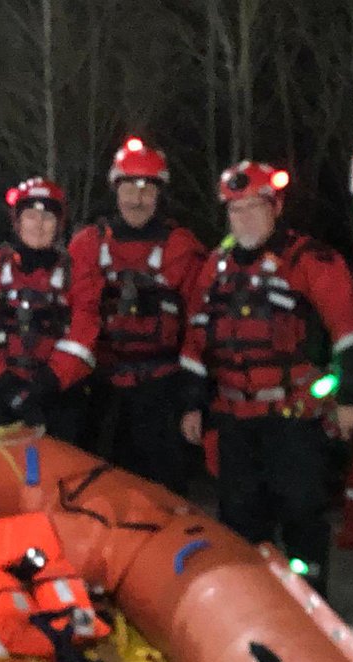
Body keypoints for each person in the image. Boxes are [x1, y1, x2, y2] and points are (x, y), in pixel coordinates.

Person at [179, 161, 353, 594]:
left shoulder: (310, 261)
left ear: (276, 207)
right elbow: (195, 339)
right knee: (240, 520)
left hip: (293, 418)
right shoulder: (215, 267)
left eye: (254, 207)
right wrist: (192, 402)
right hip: (234, 420)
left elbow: (349, 331)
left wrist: (351, 398)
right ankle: (252, 605)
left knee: (302, 513)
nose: (244, 217)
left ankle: (309, 602)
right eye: (235, 210)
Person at [68, 137, 206, 493]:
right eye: (129, 188)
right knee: (97, 490)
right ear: (115, 190)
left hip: (161, 389)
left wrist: (193, 398)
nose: (137, 199)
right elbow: (74, 314)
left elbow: (197, 326)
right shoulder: (87, 245)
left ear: (160, 194)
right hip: (102, 391)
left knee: (165, 494)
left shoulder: (182, 247)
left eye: (147, 190)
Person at [0, 177, 101, 441]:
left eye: (48, 217)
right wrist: (5, 386)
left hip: (56, 396)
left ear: (59, 225)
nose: (39, 224)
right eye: (31, 215)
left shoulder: (78, 273)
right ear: (17, 221)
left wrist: (46, 384)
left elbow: (84, 335)